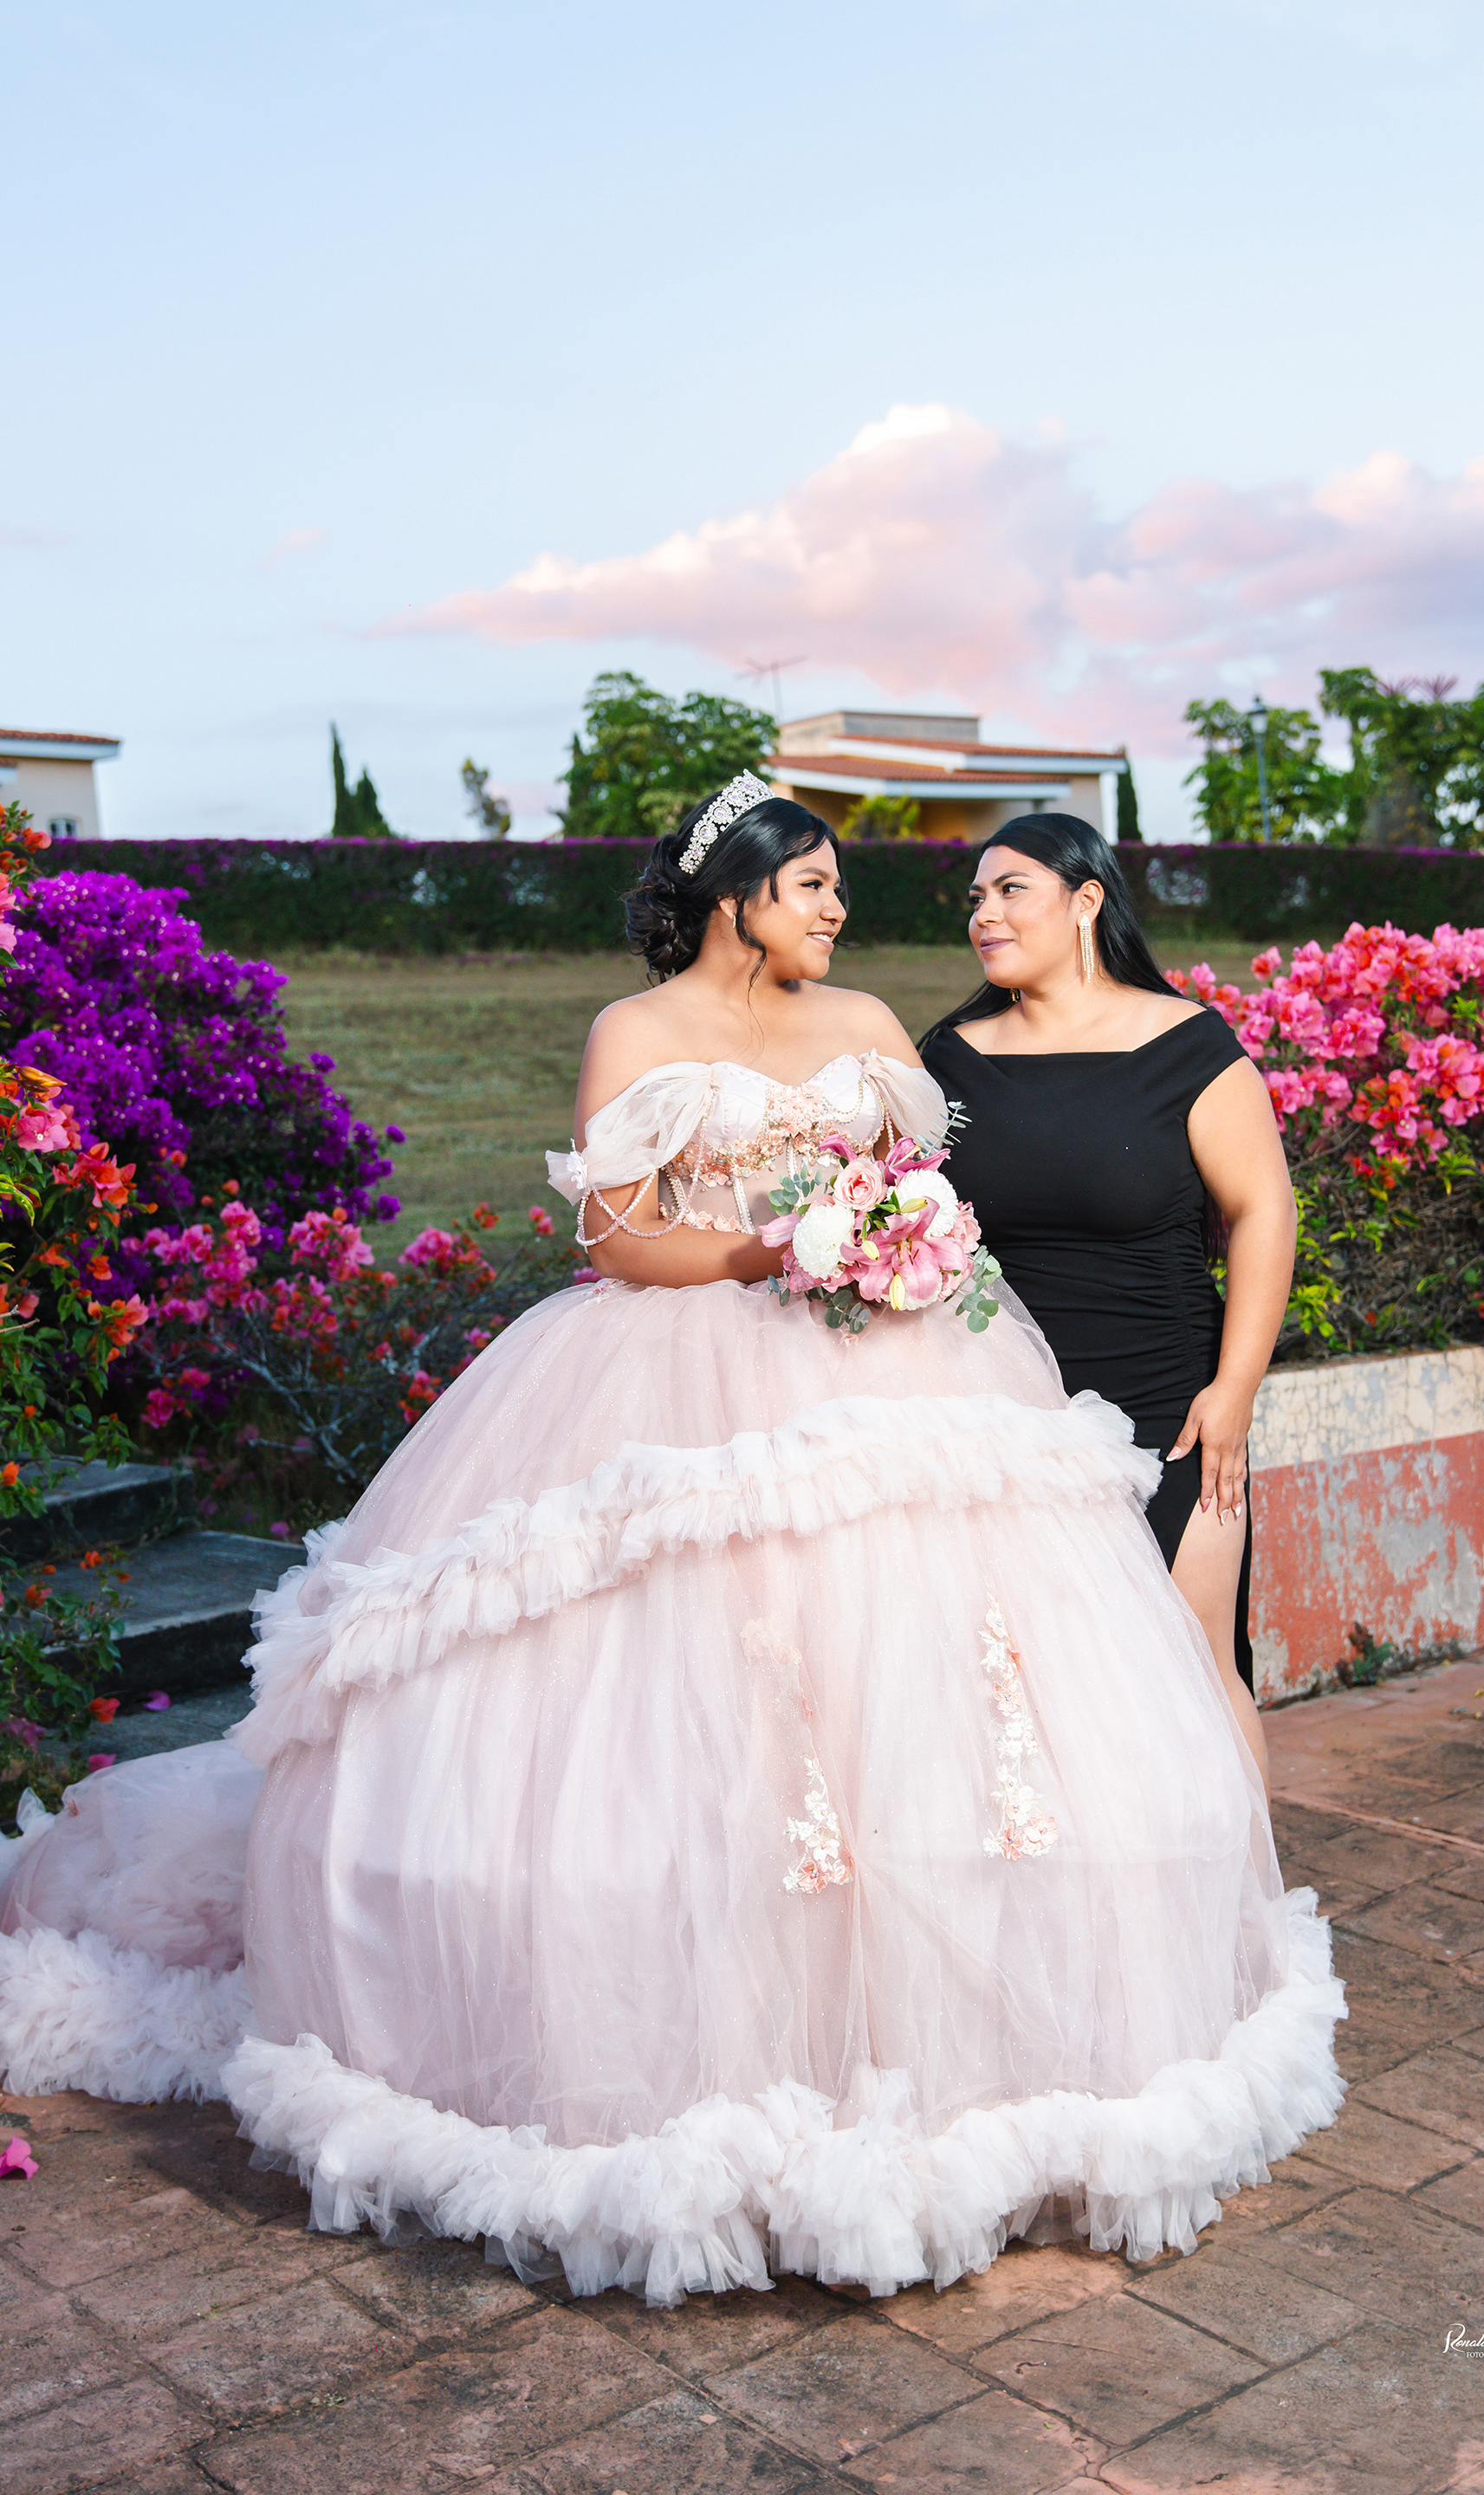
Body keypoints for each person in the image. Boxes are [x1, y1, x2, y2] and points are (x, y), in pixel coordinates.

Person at [0, 777, 1341, 2309]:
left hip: (883, 1368)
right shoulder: (633, 1033)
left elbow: (930, 1191)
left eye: (838, 888)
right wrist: (770, 1247)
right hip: (674, 1365)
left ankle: (957, 1992)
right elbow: (616, 1235)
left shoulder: (874, 1027)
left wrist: (894, 1246)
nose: (840, 910)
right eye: (814, 885)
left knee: (925, 1673)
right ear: (737, 895)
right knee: (704, 1677)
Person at [920, 816, 1297, 1763]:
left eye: (1011, 890)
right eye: (976, 897)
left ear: (1086, 900)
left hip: (1170, 1407)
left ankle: (1236, 1870)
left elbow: (1263, 1211)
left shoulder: (1187, 1046)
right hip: (1006, 1415)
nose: (985, 914)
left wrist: (1235, 1390)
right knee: (1037, 1693)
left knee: (1195, 1668)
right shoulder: (950, 1059)